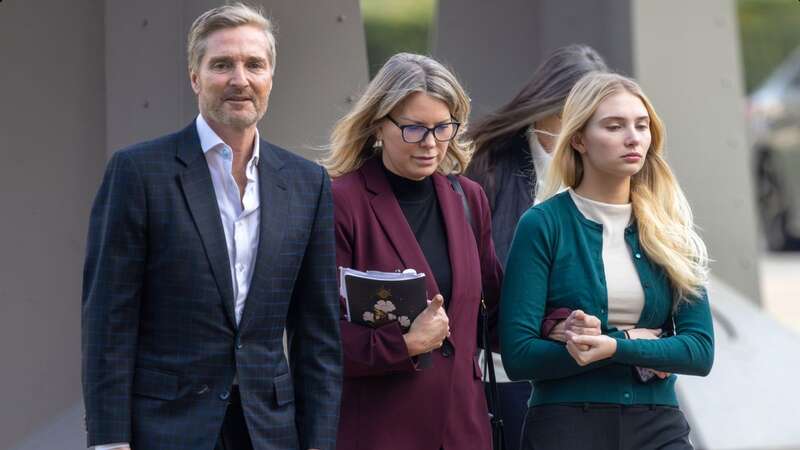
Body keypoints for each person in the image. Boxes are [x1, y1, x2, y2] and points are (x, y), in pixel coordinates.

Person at [81, 4, 341, 450]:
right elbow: (109, 321)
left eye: (254, 64)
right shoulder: (138, 172)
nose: (240, 79)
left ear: (271, 78)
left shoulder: (307, 183)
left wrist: (318, 442)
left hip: (270, 433)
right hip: (166, 429)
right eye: (222, 64)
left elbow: (317, 334)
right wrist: (108, 440)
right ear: (195, 77)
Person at [500, 72, 714, 450]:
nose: (633, 137)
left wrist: (611, 347)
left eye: (641, 125)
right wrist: (629, 339)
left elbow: (698, 350)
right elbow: (519, 356)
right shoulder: (542, 224)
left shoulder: (670, 229)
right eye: (614, 126)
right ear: (579, 138)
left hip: (658, 425)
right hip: (566, 425)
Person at [323, 53, 503, 450]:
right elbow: (319, 336)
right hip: (379, 432)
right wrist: (403, 345)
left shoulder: (469, 199)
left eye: (443, 128)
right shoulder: (341, 203)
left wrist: (561, 321)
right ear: (377, 124)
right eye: (413, 129)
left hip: (464, 431)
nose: (430, 144)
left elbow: (495, 311)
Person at [464, 44, 608, 450]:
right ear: (549, 103)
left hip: (593, 376)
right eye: (575, 112)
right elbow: (487, 279)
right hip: (511, 375)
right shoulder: (488, 165)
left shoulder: (608, 173)